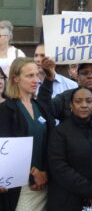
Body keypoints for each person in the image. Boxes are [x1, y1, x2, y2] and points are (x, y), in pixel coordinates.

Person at [47, 86, 92, 211]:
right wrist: (90, 190)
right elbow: (59, 166)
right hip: (69, 200)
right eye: (78, 101)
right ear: (71, 105)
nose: (84, 105)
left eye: (88, 101)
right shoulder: (60, 132)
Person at [0, 57, 54, 211]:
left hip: (45, 182)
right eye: (29, 76)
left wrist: (44, 171)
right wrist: (33, 173)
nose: (36, 80)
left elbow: (49, 142)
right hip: (19, 187)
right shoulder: (5, 110)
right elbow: (6, 151)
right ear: (15, 78)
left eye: (37, 75)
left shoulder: (40, 107)